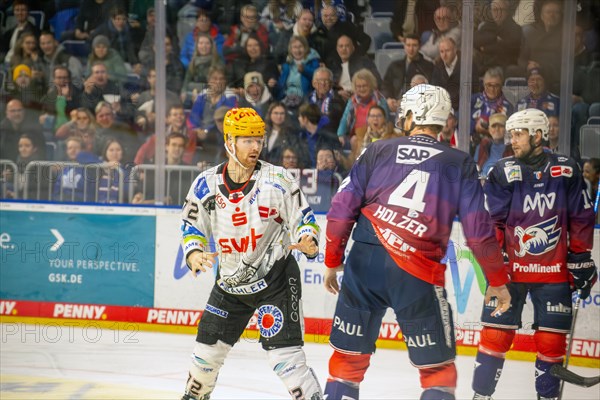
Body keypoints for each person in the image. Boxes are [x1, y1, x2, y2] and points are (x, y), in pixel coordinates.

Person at [322, 84, 511, 400]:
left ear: (412, 115)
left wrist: (332, 261)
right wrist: (496, 279)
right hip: (417, 273)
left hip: (364, 263)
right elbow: (479, 229)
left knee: (346, 361)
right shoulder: (459, 162)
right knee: (438, 372)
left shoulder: (377, 150)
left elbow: (340, 211)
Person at [180, 107, 323, 400]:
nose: (255, 146)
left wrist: (307, 238)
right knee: (204, 357)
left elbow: (304, 219)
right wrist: (194, 253)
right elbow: (191, 225)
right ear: (229, 142)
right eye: (247, 139)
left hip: (276, 282)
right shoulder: (205, 184)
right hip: (229, 286)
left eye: (259, 138)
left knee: (286, 361)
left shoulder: (279, 180)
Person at [471, 108, 597, 400]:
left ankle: (547, 397)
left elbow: (581, 217)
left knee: (552, 343)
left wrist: (581, 256)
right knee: (494, 335)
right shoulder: (502, 170)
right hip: (510, 271)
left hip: (553, 271)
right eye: (512, 134)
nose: (512, 140)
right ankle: (480, 396)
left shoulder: (567, 169)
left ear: (538, 135)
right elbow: (494, 220)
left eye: (519, 134)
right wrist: (496, 260)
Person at [473, 113, 514, 178]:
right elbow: (475, 169)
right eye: (494, 126)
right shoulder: (482, 147)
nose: (497, 129)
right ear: (489, 129)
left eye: (501, 126)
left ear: (506, 129)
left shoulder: (512, 148)